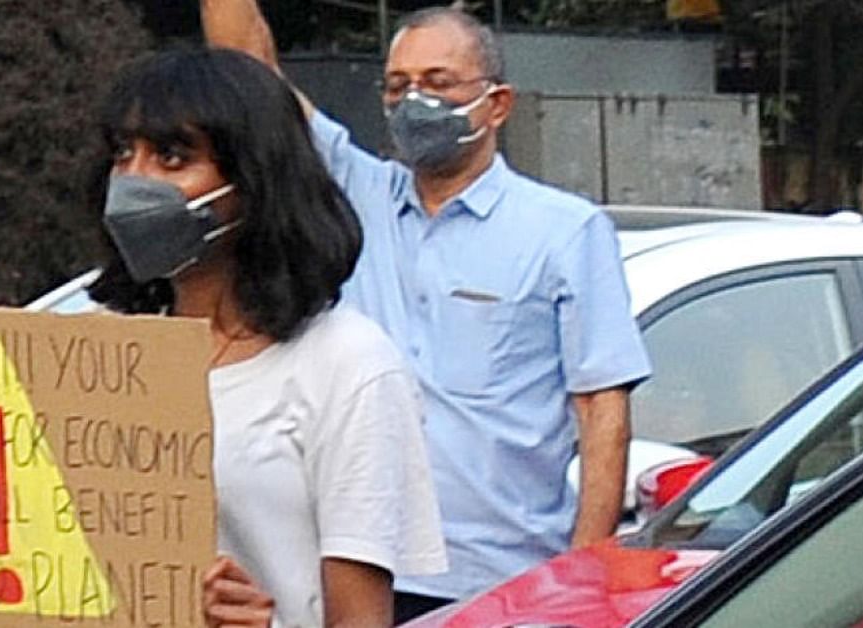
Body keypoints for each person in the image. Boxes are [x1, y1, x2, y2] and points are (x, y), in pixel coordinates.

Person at [0, 48, 447, 628]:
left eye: (172, 156)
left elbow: (361, 620)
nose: (135, 181)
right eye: (121, 155)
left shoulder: (347, 365)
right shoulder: (84, 356)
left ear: (256, 181)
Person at [200, 2, 652, 621]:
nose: (415, 101)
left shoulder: (566, 232)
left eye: (438, 84)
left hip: (501, 582)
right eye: (397, 86)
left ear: (498, 104)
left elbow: (602, 410)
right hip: (357, 574)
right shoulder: (356, 198)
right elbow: (250, 69)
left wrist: (583, 573)